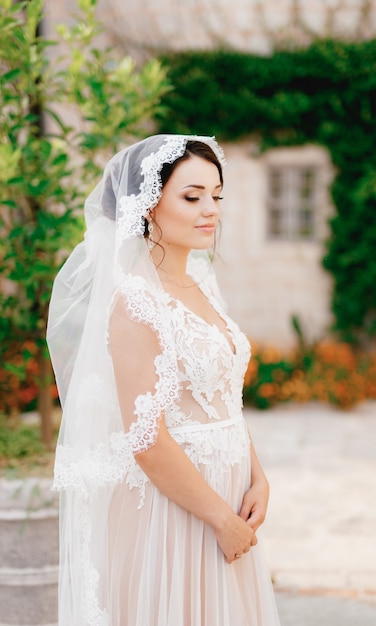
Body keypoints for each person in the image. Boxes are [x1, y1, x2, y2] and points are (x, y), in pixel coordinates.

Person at [47, 134, 280, 626]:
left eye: (216, 196)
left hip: (230, 493)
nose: (210, 209)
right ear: (149, 204)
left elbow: (221, 394)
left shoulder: (201, 282)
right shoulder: (134, 302)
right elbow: (147, 438)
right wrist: (220, 519)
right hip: (179, 510)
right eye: (192, 196)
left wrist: (256, 474)